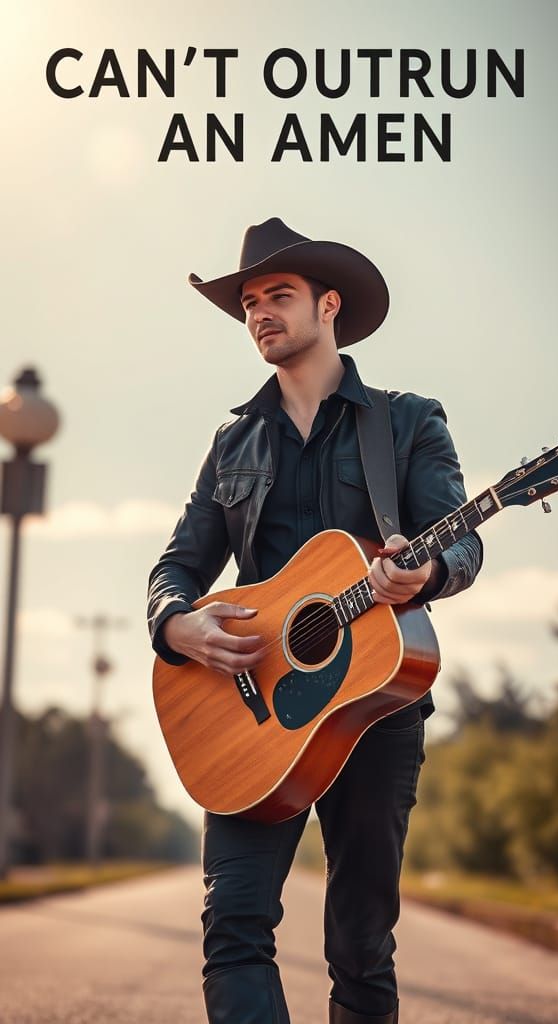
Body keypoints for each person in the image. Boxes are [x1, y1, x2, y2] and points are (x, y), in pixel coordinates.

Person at [147, 217, 483, 1024]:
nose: (260, 312)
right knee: (232, 928)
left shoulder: (405, 423)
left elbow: (461, 541)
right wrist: (175, 625)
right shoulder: (234, 441)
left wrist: (423, 574)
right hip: (249, 713)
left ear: (328, 305)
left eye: (278, 296)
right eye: (250, 302)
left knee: (361, 950)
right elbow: (177, 567)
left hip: (374, 707)